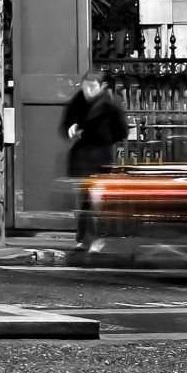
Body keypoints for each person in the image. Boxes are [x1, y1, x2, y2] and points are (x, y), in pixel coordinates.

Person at [63, 70, 129, 246]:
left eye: (91, 87)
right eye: (85, 87)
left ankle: (90, 238)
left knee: (93, 200)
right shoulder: (78, 101)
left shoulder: (110, 105)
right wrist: (71, 128)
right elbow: (66, 123)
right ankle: (87, 238)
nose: (88, 91)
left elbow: (122, 131)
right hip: (82, 158)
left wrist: (103, 138)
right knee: (87, 200)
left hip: (100, 157)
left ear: (102, 87)